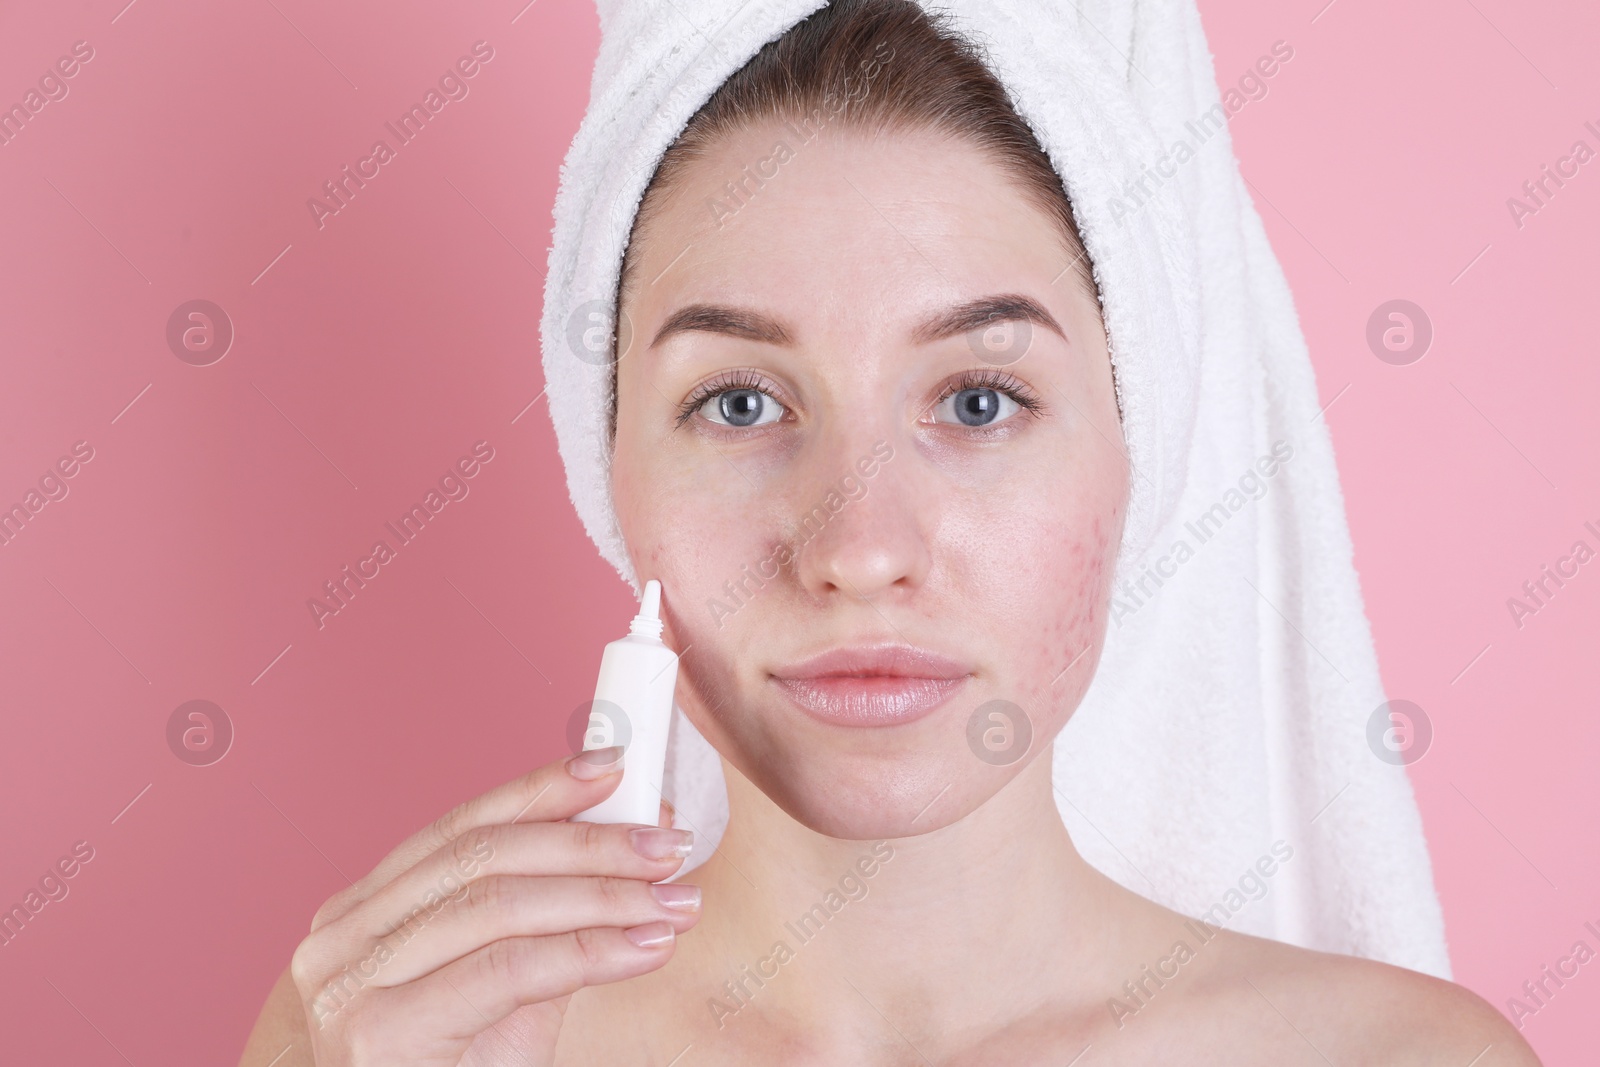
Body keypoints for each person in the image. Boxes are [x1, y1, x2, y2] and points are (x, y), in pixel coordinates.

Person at [240, 1, 1540, 1063]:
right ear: (607, 470)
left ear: (1143, 446)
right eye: (739, 403)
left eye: (980, 400)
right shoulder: (421, 1054)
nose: (859, 548)